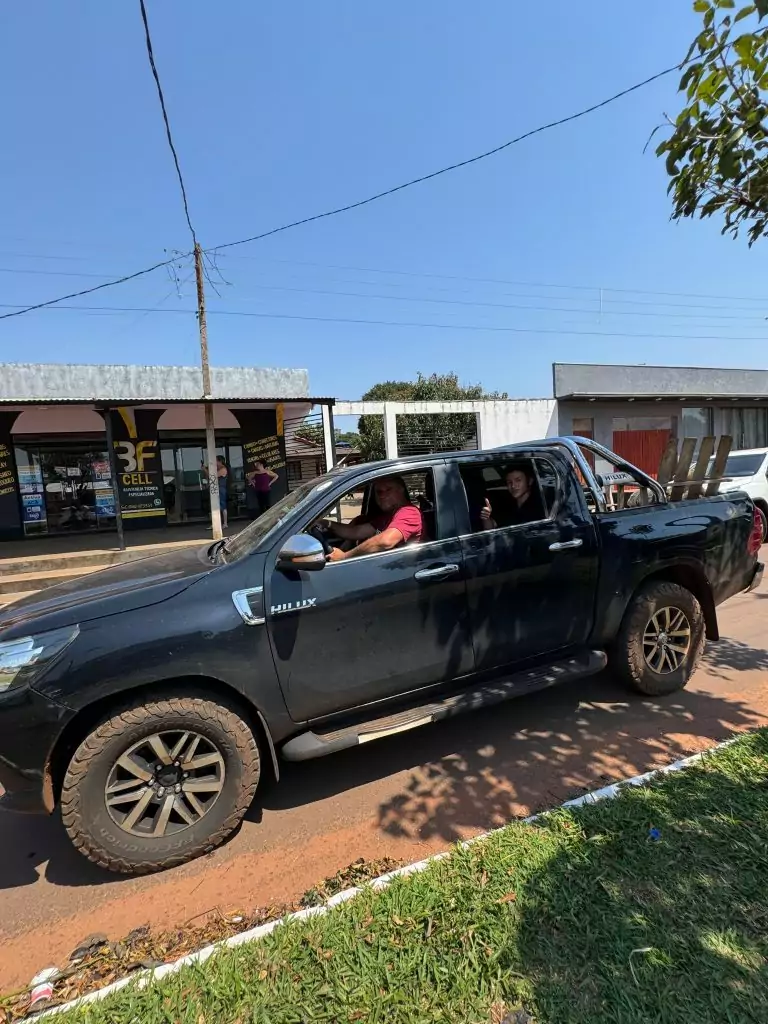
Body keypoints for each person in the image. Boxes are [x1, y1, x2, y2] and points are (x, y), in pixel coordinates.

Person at [321, 475, 422, 561]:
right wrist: (325, 523)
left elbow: (385, 541)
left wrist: (344, 556)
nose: (382, 495)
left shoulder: (409, 512)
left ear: (401, 490)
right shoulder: (387, 516)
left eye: (388, 489)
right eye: (379, 492)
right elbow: (355, 531)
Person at [480, 462, 545, 530]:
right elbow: (491, 527)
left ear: (530, 481)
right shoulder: (507, 504)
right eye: (509, 482)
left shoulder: (539, 507)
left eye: (518, 480)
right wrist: (486, 517)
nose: (513, 486)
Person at [201, 455, 229, 529]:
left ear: (220, 461)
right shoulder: (217, 469)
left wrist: (205, 470)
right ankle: (216, 523)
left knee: (222, 505)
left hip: (221, 489)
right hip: (215, 489)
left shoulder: (223, 469)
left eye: (215, 461)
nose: (214, 462)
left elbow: (213, 476)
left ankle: (225, 523)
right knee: (214, 506)